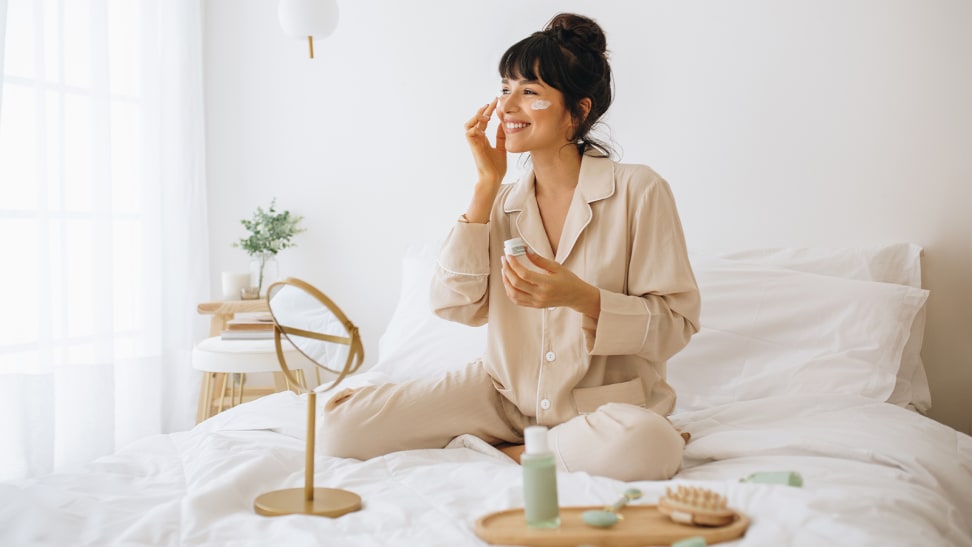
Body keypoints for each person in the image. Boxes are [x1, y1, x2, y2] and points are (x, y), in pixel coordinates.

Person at [320, 13, 700, 482]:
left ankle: (516, 453)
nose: (508, 106)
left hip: (598, 409)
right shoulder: (502, 202)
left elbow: (676, 326)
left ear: (578, 112)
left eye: (531, 92)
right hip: (504, 396)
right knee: (340, 426)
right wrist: (485, 185)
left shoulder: (639, 190)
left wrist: (581, 297)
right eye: (505, 89)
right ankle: (537, 449)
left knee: (649, 444)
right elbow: (455, 305)